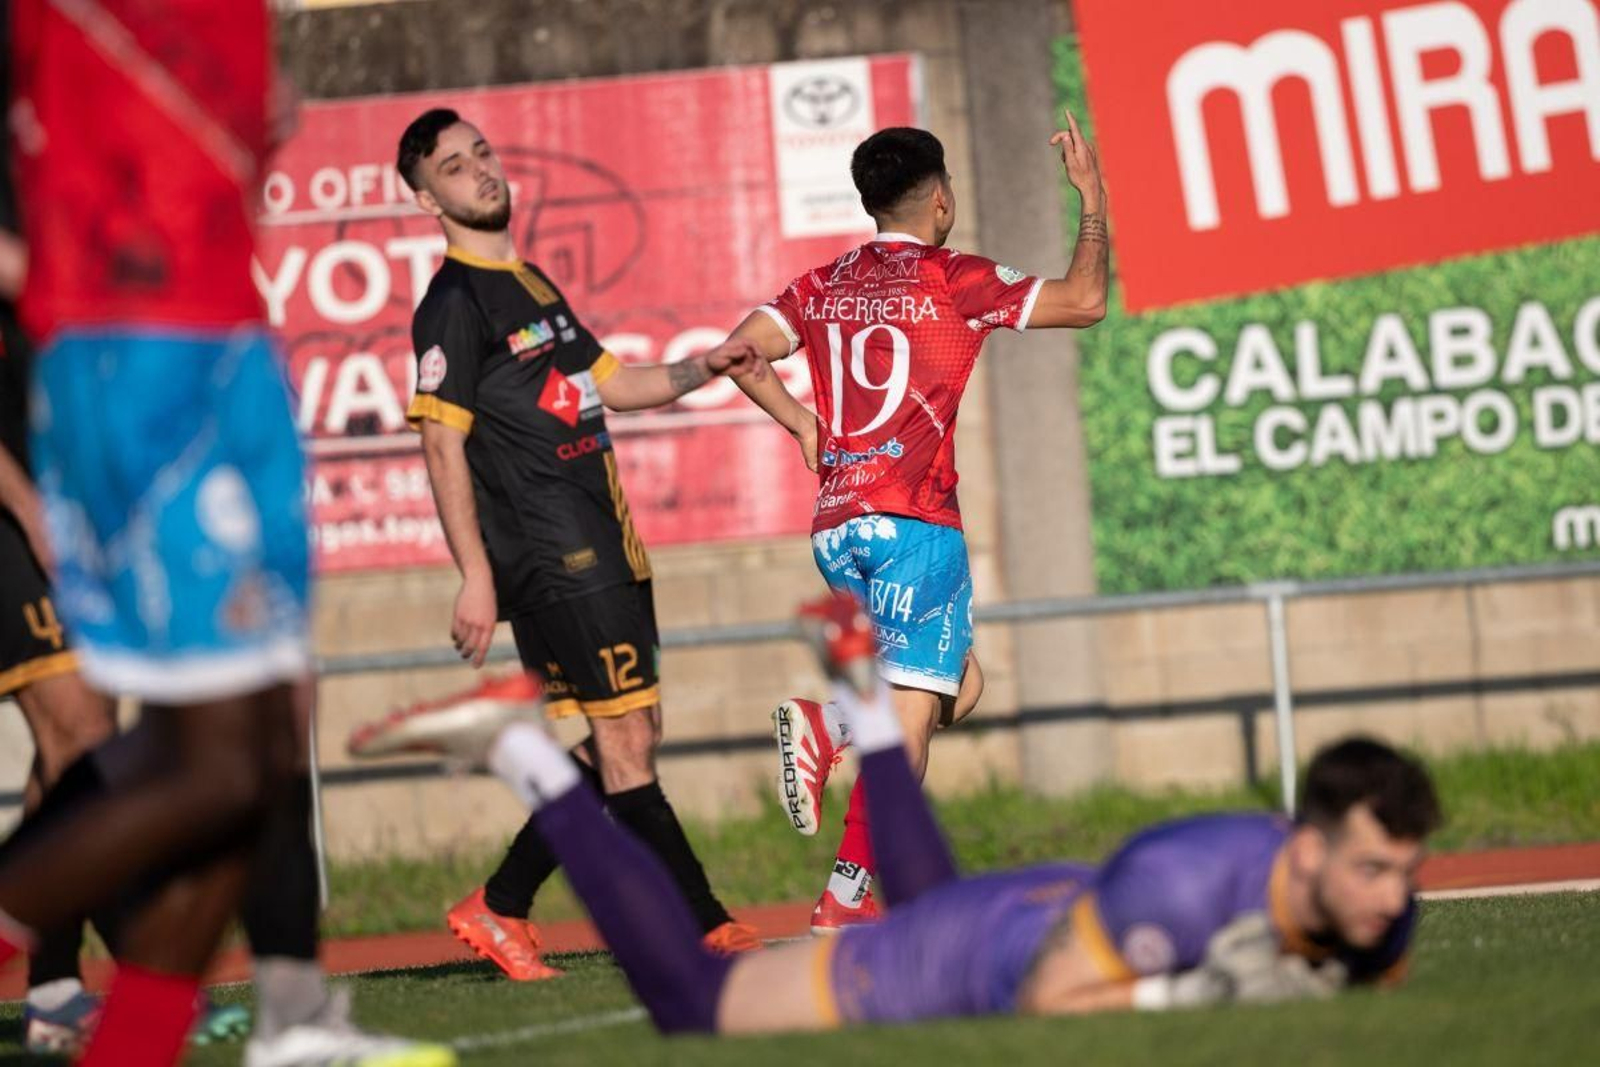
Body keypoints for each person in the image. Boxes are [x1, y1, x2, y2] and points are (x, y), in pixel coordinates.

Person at [0, 3, 452, 1064]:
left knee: (261, 745)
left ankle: (216, 1036)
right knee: (208, 764)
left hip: (229, 347)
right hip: (132, 345)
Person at [364, 590, 1441, 1033]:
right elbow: (1049, 1005)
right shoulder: (1182, 875)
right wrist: (1188, 992)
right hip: (1002, 949)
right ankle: (520, 749)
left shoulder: (1378, 912)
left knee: (927, 891)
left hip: (1038, 907)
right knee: (693, 1002)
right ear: (1304, 846)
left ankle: (864, 699)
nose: (1390, 895)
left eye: (1402, 872)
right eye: (1371, 869)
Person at [387, 107, 764, 979]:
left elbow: (617, 385)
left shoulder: (533, 283)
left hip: (605, 538)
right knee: (626, 742)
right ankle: (702, 922)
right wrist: (474, 576)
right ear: (423, 199)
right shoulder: (452, 303)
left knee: (625, 737)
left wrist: (702, 366)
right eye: (453, 166)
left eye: (481, 152)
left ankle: (501, 903)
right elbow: (440, 442)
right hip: (552, 555)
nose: (479, 170)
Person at [723, 112, 1111, 931]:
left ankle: (841, 831)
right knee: (909, 718)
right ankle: (844, 875)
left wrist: (800, 422)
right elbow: (1086, 301)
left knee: (952, 690)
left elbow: (736, 350)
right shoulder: (951, 278)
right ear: (940, 199)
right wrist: (1092, 197)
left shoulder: (824, 282)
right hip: (914, 520)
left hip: (839, 525)